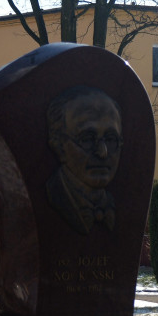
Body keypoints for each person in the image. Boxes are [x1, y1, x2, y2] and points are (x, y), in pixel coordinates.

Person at [45, 86, 123, 234]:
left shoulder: (121, 204)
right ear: (59, 146)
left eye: (111, 139)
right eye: (87, 139)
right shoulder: (50, 197)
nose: (103, 152)